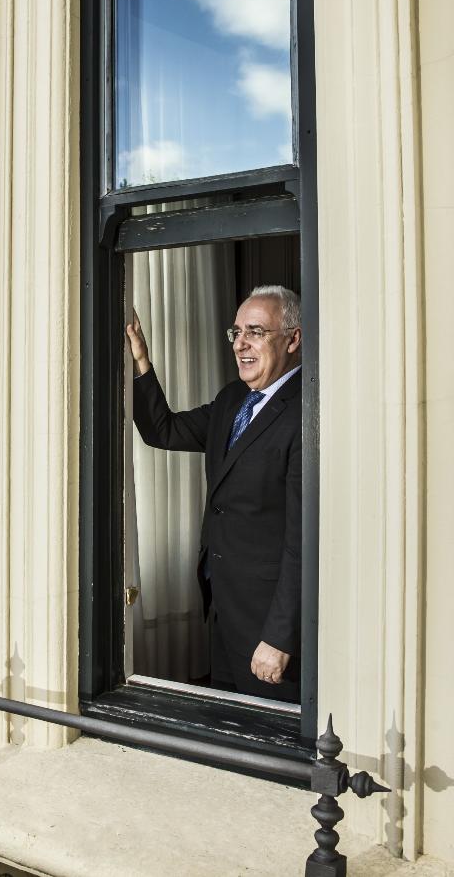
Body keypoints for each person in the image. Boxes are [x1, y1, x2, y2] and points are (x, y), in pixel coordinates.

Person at [127, 285, 302, 701]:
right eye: (236, 332)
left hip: (270, 630)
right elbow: (163, 430)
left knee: (273, 747)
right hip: (222, 610)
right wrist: (140, 362)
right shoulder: (233, 399)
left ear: (293, 339)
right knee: (228, 731)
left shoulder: (308, 411)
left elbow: (304, 541)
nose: (241, 343)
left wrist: (280, 637)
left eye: (256, 332)